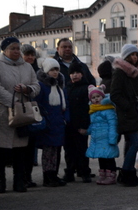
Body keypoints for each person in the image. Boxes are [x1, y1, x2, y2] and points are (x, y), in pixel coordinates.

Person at [0, 37, 40, 193]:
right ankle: (0, 181)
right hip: (2, 112)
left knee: (20, 150)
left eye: (18, 48)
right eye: (12, 48)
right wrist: (14, 101)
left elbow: (36, 85)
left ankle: (19, 181)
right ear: (4, 50)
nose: (16, 51)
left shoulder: (27, 67)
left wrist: (28, 89)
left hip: (22, 114)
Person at [111, 44, 138, 186]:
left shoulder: (136, 73)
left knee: (131, 143)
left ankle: (130, 174)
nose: (135, 57)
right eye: (132, 55)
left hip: (136, 114)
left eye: (136, 55)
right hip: (126, 115)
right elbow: (115, 95)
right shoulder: (120, 72)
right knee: (137, 143)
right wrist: (129, 107)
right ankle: (126, 172)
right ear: (126, 56)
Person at [34, 58, 69, 188]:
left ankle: (54, 175)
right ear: (46, 71)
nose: (55, 72)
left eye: (56, 69)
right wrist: (44, 118)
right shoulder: (42, 86)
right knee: (48, 152)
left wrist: (66, 118)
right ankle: (47, 177)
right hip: (48, 124)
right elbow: (38, 104)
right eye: (52, 70)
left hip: (59, 124)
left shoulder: (60, 86)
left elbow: (65, 104)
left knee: (56, 151)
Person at [64, 62, 92, 183]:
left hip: (80, 124)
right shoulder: (67, 88)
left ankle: (84, 172)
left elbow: (87, 109)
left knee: (82, 150)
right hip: (69, 125)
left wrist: (85, 126)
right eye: (72, 73)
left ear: (82, 74)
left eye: (77, 73)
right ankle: (69, 172)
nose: (75, 75)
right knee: (69, 151)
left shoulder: (86, 88)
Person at [86, 85, 119, 185]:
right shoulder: (93, 111)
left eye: (98, 96)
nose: (96, 99)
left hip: (107, 138)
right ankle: (103, 173)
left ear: (103, 97)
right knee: (101, 157)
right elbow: (93, 125)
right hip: (97, 139)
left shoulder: (108, 110)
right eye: (93, 97)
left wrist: (113, 138)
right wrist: (87, 131)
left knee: (108, 157)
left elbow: (113, 124)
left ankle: (111, 175)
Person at [21, 44, 40, 187]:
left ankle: (28, 176)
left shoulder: (38, 71)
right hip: (22, 110)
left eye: (32, 54)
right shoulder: (20, 70)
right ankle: (21, 177)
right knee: (22, 146)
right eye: (27, 54)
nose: (30, 57)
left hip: (35, 111)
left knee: (31, 146)